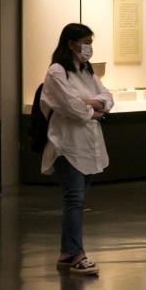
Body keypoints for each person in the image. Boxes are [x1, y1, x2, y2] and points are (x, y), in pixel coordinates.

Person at [40, 23, 113, 276]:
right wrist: (93, 109)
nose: (89, 47)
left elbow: (108, 98)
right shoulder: (57, 72)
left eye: (91, 42)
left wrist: (90, 104)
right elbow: (71, 107)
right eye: (86, 42)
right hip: (67, 146)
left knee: (77, 202)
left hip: (88, 145)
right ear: (71, 44)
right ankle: (77, 254)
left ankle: (67, 252)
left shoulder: (86, 71)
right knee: (74, 199)